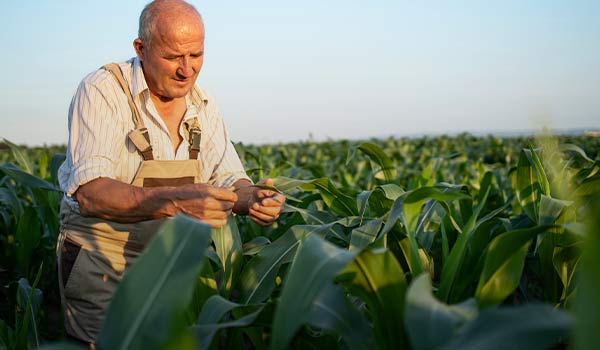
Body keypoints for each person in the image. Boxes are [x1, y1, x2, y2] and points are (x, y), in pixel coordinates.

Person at [56, 0, 285, 344]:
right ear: (141, 48)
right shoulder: (103, 90)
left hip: (171, 260)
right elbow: (90, 193)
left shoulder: (202, 103)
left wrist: (254, 199)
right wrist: (176, 202)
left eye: (196, 55)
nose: (187, 70)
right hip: (101, 258)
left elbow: (230, 180)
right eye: (173, 57)